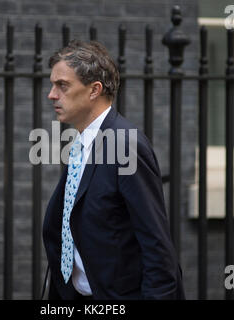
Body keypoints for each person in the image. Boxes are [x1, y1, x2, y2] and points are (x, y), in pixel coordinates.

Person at [42, 39, 185, 300]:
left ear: (94, 90)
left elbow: (157, 247)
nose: (52, 94)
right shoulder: (79, 144)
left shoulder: (126, 144)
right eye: (53, 85)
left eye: (62, 85)